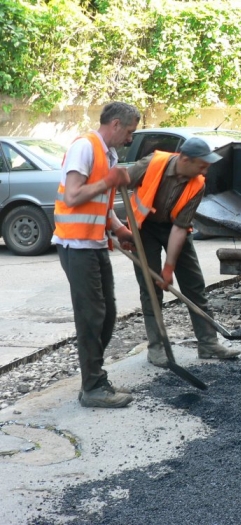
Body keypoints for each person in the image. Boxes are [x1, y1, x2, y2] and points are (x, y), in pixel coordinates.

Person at [52, 101, 140, 408]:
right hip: (76, 246)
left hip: (96, 243)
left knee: (108, 313)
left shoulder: (109, 154)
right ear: (115, 124)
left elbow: (100, 203)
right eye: (129, 132)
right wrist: (109, 180)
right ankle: (92, 386)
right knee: (91, 315)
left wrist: (118, 228)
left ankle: (94, 376)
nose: (130, 138)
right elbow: (74, 196)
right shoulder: (84, 148)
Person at [126, 137, 241, 368]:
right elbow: (121, 181)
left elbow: (179, 228)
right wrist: (114, 224)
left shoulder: (198, 183)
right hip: (144, 228)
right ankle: (156, 347)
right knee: (150, 288)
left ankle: (208, 343)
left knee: (194, 285)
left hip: (174, 226)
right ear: (185, 159)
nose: (205, 169)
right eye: (202, 164)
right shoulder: (152, 163)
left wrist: (169, 267)